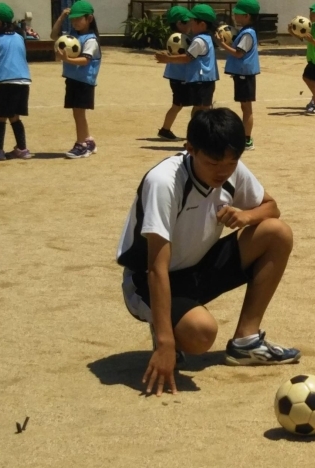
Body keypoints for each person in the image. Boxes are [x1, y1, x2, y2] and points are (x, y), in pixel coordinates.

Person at [116, 108, 301, 397]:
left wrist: (246, 217)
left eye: (232, 162)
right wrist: (166, 343)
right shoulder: (164, 182)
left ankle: (246, 342)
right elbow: (156, 268)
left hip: (198, 267)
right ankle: (166, 329)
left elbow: (271, 207)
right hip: (147, 281)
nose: (223, 171)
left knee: (277, 232)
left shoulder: (231, 167)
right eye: (213, 162)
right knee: (201, 335)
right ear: (190, 149)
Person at [50, 0, 101, 159]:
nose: (75, 22)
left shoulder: (90, 40)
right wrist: (61, 17)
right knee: (77, 113)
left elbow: (85, 60)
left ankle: (81, 145)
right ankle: (88, 141)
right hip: (73, 79)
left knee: (79, 114)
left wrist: (66, 59)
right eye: (72, 19)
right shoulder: (73, 35)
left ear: (89, 19)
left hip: (84, 82)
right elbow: (53, 36)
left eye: (79, 19)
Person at [0, 3, 32, 161]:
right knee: (15, 116)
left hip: (4, 82)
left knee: (0, 116)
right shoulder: (19, 37)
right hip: (23, 81)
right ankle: (22, 149)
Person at [155, 4, 219, 118]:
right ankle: (196, 131)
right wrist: (169, 58)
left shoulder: (199, 40)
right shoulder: (205, 38)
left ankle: (197, 130)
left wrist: (168, 59)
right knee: (201, 107)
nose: (190, 23)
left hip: (203, 79)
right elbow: (187, 57)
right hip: (203, 79)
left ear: (202, 24)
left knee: (202, 107)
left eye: (192, 21)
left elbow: (187, 57)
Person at [217, 0, 260, 150]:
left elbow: (238, 53)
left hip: (245, 75)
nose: (235, 15)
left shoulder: (248, 34)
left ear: (247, 16)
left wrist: (222, 44)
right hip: (242, 74)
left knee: (247, 108)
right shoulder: (245, 31)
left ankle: (247, 139)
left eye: (238, 14)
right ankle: (245, 136)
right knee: (244, 106)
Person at [157, 6, 193, 141]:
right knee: (178, 105)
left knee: (178, 105)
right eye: (187, 21)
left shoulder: (178, 37)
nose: (190, 23)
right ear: (179, 23)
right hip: (180, 77)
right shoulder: (179, 38)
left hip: (177, 76)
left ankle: (165, 129)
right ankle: (165, 130)